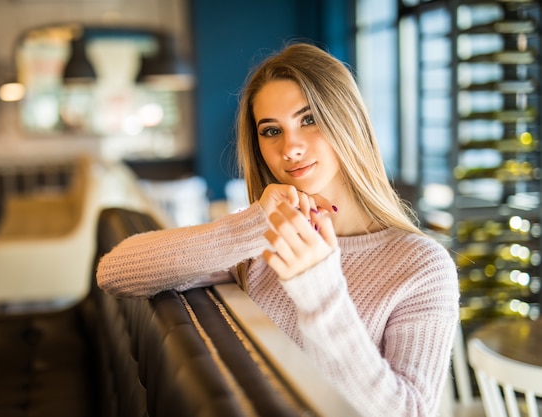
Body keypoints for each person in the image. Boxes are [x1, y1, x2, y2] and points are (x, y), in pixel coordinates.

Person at [97, 42, 459, 417]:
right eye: (271, 131)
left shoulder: (423, 267)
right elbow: (116, 272)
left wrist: (320, 292)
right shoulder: (268, 236)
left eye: (308, 119)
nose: (291, 147)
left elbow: (410, 412)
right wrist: (254, 225)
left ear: (347, 120)